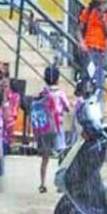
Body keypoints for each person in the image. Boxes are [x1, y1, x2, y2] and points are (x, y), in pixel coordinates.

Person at [77, 0, 107, 103]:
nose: (102, 1)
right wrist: (81, 42)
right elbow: (79, 29)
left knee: (99, 81)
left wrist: (103, 18)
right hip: (89, 49)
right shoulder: (88, 11)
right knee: (88, 78)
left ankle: (97, 109)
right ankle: (84, 106)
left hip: (101, 51)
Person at [37, 65, 70, 194]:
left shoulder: (42, 93)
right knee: (62, 156)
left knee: (45, 158)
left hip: (44, 129)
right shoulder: (60, 94)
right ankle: (59, 185)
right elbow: (67, 107)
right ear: (57, 79)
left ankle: (42, 184)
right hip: (57, 127)